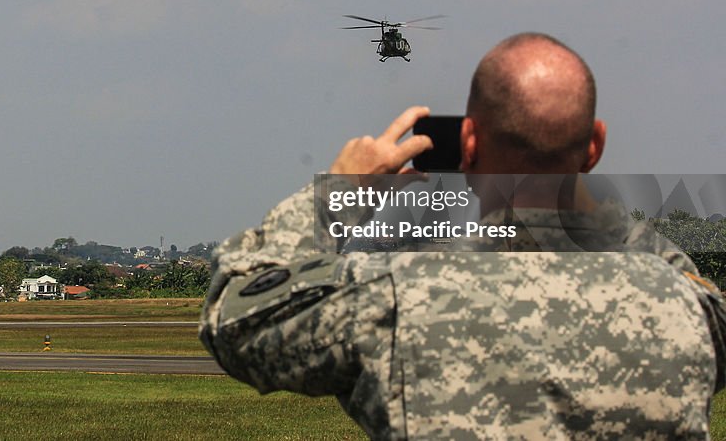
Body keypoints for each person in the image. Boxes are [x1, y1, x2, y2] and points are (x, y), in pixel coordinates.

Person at [200, 32, 725, 439]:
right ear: (595, 147)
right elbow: (683, 280)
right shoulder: (685, 310)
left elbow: (236, 315)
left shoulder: (399, 293)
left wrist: (339, 194)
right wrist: (572, 195)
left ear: (467, 146)